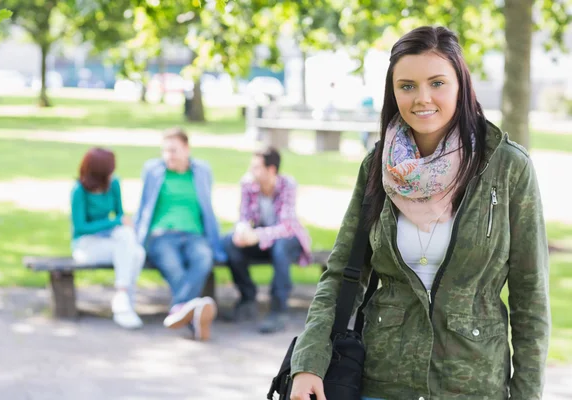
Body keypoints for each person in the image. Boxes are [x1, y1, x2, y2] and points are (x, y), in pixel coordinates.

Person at [290, 26, 550, 400]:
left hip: (473, 383)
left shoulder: (507, 167)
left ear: (460, 85)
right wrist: (309, 362)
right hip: (382, 380)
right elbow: (341, 273)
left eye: (437, 83)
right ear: (392, 92)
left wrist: (527, 394)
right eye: (407, 85)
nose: (422, 98)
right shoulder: (377, 166)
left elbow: (531, 296)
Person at [135, 128, 226, 341]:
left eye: (174, 150)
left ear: (187, 149)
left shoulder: (202, 171)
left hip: (194, 234)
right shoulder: (154, 170)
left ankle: (180, 310)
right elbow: (143, 207)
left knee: (204, 259)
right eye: (165, 151)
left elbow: (208, 207)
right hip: (162, 235)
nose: (169, 156)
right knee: (172, 264)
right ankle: (193, 313)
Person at [223, 146, 312, 334]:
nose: (251, 171)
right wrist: (242, 231)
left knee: (281, 249)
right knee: (230, 242)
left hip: (287, 238)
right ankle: (247, 297)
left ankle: (278, 309)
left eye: (256, 167)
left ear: (271, 169)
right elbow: (243, 216)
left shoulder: (287, 185)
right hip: (260, 238)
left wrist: (257, 235)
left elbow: (286, 226)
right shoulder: (248, 184)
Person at [70, 148, 146, 330]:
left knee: (135, 248)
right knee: (134, 253)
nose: (113, 172)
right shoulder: (79, 191)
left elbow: (120, 213)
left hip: (110, 240)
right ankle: (126, 303)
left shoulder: (114, 184)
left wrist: (123, 223)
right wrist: (114, 222)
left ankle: (122, 296)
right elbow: (81, 227)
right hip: (86, 245)